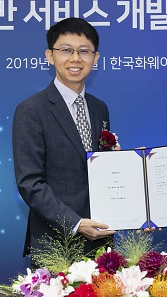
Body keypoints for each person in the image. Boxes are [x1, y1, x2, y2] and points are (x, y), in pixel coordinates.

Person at [13, 17, 114, 260]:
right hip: (56, 242)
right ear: (50, 56)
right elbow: (30, 183)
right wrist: (76, 223)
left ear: (96, 58)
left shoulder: (99, 108)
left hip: (101, 239)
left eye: (84, 51)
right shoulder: (31, 110)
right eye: (66, 50)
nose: (75, 59)